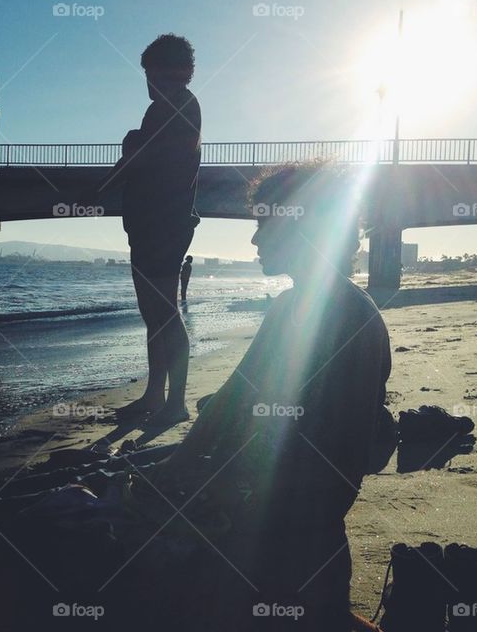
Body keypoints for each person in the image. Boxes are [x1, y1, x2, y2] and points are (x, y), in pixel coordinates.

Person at [147, 161, 390, 630]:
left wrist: (187, 472)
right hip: (314, 522)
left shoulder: (318, 313)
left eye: (264, 224)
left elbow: (239, 408)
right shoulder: (337, 308)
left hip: (283, 524)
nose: (255, 241)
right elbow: (243, 402)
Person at [90, 34, 201, 428]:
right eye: (150, 76)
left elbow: (139, 161)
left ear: (183, 73)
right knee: (154, 314)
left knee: (164, 313)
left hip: (162, 225)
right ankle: (156, 395)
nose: (152, 83)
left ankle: (176, 401)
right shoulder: (170, 108)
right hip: (151, 224)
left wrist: (101, 185)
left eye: (158, 75)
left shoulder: (173, 109)